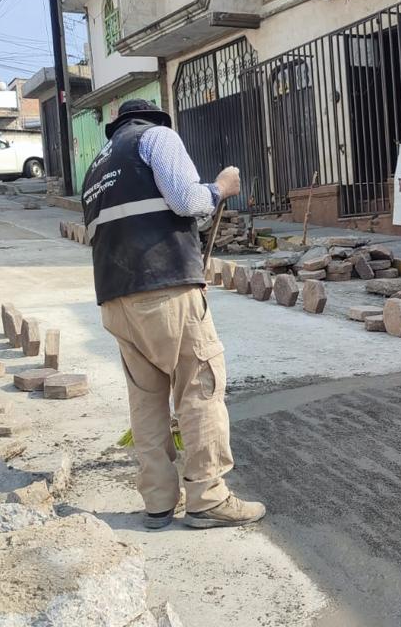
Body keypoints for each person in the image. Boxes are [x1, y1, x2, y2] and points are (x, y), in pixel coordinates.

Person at [80, 99, 266, 530]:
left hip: (116, 298)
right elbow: (187, 201)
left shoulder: (96, 168)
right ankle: (208, 499)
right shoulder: (156, 137)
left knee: (146, 401)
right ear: (153, 120)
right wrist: (220, 188)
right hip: (164, 288)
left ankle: (158, 502)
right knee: (200, 386)